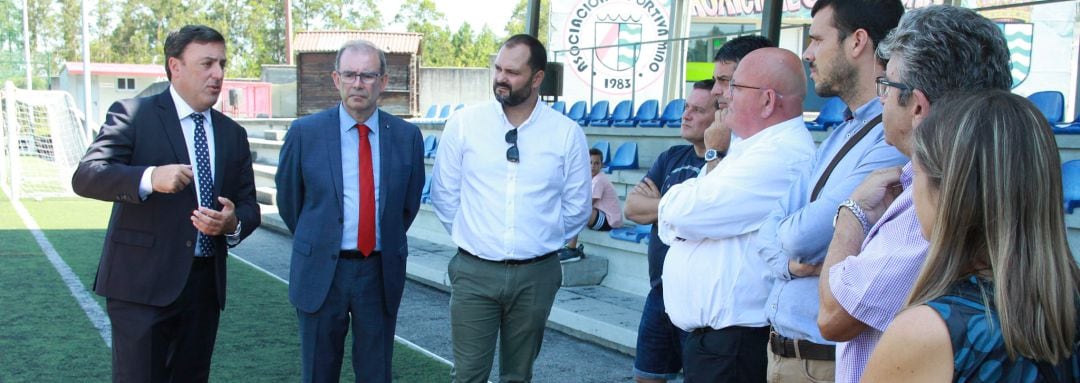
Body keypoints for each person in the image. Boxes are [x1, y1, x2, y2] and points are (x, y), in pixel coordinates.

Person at [815, 6, 1013, 382]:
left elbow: (833, 317)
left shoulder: (929, 203)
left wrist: (850, 216)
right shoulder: (1004, 171)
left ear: (918, 105)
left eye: (887, 86)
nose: (882, 99)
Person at [70, 24, 260, 382]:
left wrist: (232, 223)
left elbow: (249, 206)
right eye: (207, 64)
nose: (218, 74)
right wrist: (148, 178)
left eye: (222, 64)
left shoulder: (232, 134)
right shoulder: (134, 114)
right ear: (175, 66)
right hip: (141, 287)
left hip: (204, 290)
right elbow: (86, 175)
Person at [862, 90, 1080, 382]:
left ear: (949, 194)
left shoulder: (928, 331)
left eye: (914, 175)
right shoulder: (1068, 303)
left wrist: (853, 214)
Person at [754, 0, 906, 381]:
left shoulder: (892, 137)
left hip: (827, 364)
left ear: (857, 42)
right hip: (783, 355)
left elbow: (803, 236)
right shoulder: (840, 133)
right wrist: (788, 265)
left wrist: (787, 247)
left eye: (816, 39)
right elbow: (766, 232)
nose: (807, 53)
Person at [429, 34, 591, 383]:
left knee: (519, 376)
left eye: (513, 72)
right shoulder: (464, 123)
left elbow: (577, 207)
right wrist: (475, 238)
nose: (501, 78)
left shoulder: (566, 133)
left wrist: (537, 240)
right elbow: (444, 194)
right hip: (474, 271)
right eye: (498, 68)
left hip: (537, 275)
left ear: (537, 78)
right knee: (469, 374)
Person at [659, 47, 816, 383]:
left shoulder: (781, 154)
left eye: (734, 86)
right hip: (718, 344)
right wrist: (681, 219)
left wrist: (680, 218)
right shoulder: (750, 147)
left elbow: (683, 211)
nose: (720, 94)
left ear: (768, 100)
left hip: (735, 346)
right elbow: (672, 221)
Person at [275, 40, 425, 383]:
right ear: (335, 79)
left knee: (376, 372)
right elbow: (290, 203)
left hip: (378, 272)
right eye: (350, 74)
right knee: (318, 372)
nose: (358, 83)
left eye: (368, 75)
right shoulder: (304, 133)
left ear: (383, 81)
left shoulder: (406, 137)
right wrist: (321, 239)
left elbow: (406, 206)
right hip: (322, 272)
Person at [624, 36, 771, 383]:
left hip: (710, 311)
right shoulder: (670, 158)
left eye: (698, 109)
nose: (686, 114)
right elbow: (632, 207)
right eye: (686, 106)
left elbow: (706, 211)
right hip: (661, 294)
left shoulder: (735, 157)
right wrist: (678, 207)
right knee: (646, 377)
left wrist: (669, 205)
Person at [561, 148, 623, 262]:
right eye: (590, 162)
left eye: (596, 163)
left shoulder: (599, 180)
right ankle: (566, 246)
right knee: (572, 209)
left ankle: (572, 249)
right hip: (601, 216)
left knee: (578, 212)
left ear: (602, 165)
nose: (592, 166)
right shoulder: (589, 179)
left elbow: (588, 204)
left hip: (610, 221)